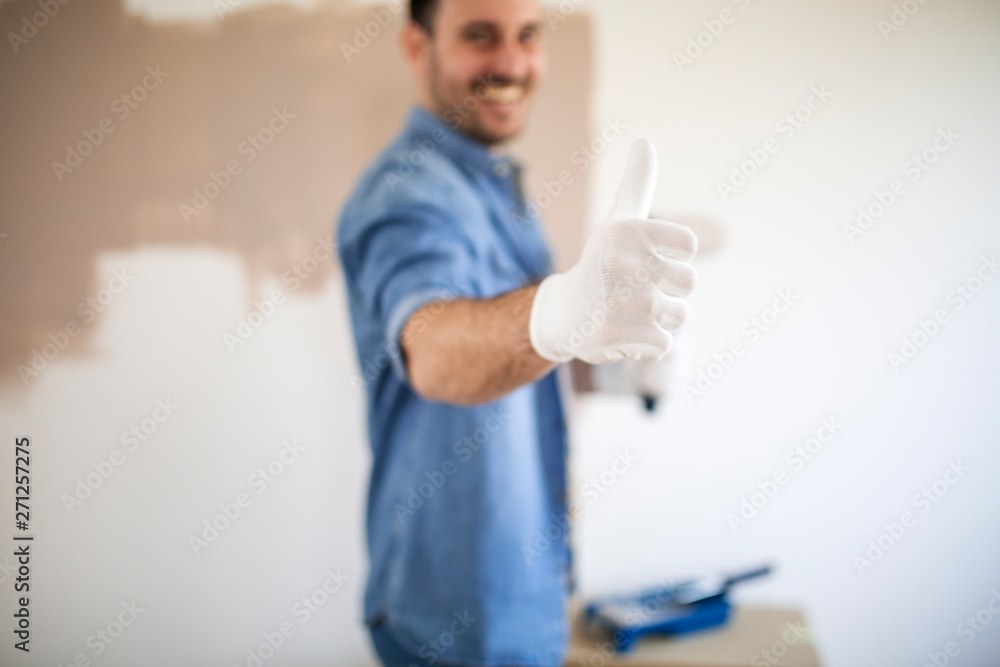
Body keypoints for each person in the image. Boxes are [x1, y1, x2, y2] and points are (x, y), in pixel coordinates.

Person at [336, 0, 697, 664]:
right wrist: (558, 314)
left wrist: (610, 363)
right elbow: (436, 351)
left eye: (527, 35)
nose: (511, 62)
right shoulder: (407, 196)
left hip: (523, 598)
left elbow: (524, 356)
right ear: (417, 46)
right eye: (479, 36)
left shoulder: (498, 184)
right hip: (452, 625)